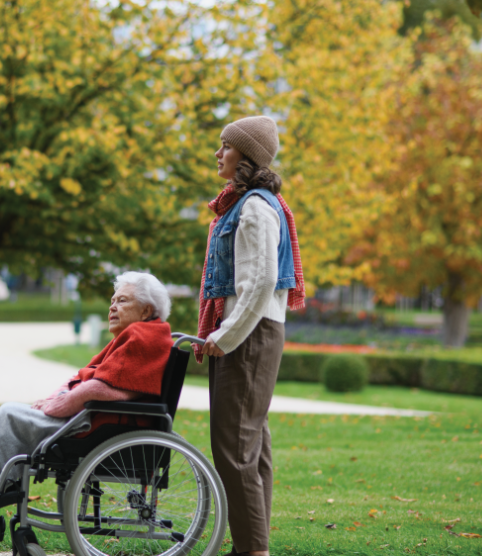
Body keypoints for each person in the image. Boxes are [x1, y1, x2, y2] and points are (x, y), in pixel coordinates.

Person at [0, 271, 174, 549]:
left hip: (94, 425)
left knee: (7, 416)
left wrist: (63, 401)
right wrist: (62, 396)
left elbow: (109, 388)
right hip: (96, 419)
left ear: (145, 310)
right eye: (112, 300)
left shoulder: (144, 337)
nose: (112, 307)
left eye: (122, 301)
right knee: (6, 415)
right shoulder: (143, 334)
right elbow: (105, 382)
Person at [195, 115, 306, 556]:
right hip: (250, 334)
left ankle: (252, 550)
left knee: (235, 449)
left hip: (250, 336)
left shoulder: (257, 207)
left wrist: (226, 334)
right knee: (250, 447)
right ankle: (252, 546)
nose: (218, 153)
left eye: (225, 146)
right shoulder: (247, 205)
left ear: (247, 155)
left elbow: (259, 283)